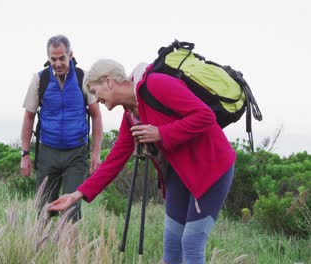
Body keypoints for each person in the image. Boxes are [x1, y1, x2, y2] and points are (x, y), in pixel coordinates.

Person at [47, 59, 236, 263]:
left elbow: (205, 116)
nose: (95, 97)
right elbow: (114, 160)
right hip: (178, 175)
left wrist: (161, 133)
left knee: (191, 243)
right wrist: (77, 194)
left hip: (210, 169)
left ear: (108, 81)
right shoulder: (131, 115)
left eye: (94, 90)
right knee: (172, 245)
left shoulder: (157, 84)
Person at [20, 35, 103, 222]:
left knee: (71, 211)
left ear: (70, 55)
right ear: (48, 57)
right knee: (43, 210)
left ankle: (67, 251)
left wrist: (96, 153)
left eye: (62, 58)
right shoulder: (39, 79)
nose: (57, 63)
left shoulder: (84, 78)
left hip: (76, 154)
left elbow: (96, 116)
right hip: (48, 152)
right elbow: (28, 117)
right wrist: (25, 155)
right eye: (53, 59)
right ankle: (41, 251)